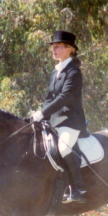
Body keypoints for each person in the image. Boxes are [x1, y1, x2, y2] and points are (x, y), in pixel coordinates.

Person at [32, 30, 87, 203]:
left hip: (70, 121)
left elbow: (64, 98)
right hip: (54, 121)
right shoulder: (55, 72)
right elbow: (50, 98)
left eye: (58, 47)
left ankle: (78, 188)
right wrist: (40, 115)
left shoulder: (73, 71)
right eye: (53, 47)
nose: (53, 50)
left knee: (63, 148)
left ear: (69, 49)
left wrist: (43, 113)